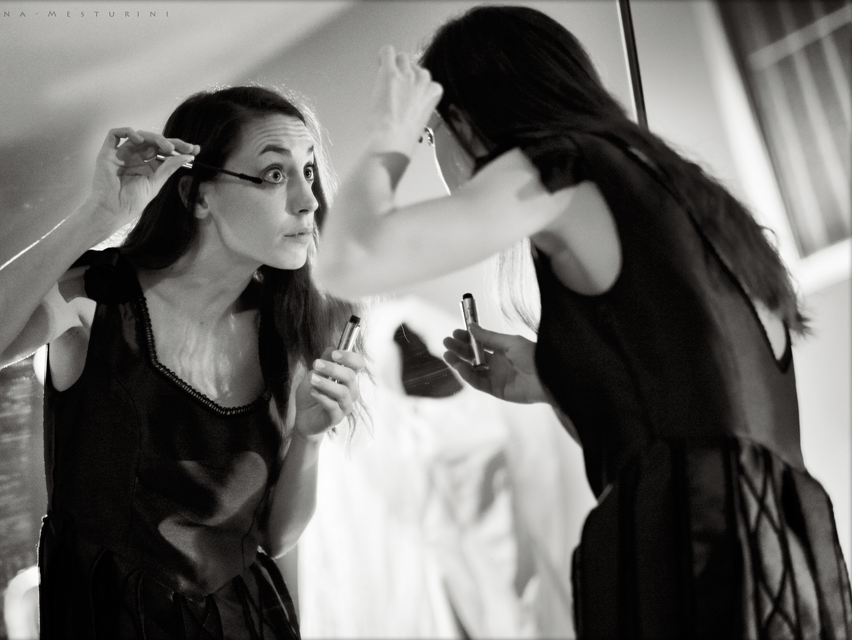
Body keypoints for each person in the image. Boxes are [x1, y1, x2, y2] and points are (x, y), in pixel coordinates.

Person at [314, 5, 852, 638]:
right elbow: (708, 392)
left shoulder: (557, 166)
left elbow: (345, 262)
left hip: (697, 542)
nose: (435, 154)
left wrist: (391, 132)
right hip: (794, 549)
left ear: (467, 118)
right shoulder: (690, 195)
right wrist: (556, 377)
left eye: (433, 135)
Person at [0, 85, 366, 639]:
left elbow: (275, 538)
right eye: (275, 174)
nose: (308, 201)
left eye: (308, 171)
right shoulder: (97, 298)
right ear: (198, 196)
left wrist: (310, 437)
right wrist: (97, 215)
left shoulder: (292, 328)